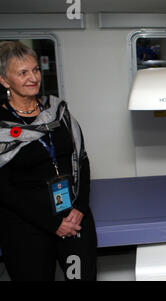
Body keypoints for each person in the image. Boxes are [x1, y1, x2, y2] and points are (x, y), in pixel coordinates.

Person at [0, 41, 97, 281]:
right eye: (22, 73)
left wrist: (80, 208)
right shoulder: (2, 125)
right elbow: (4, 189)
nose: (33, 77)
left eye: (35, 70)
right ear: (4, 80)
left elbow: (81, 161)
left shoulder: (57, 112)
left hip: (72, 215)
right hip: (26, 226)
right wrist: (51, 222)